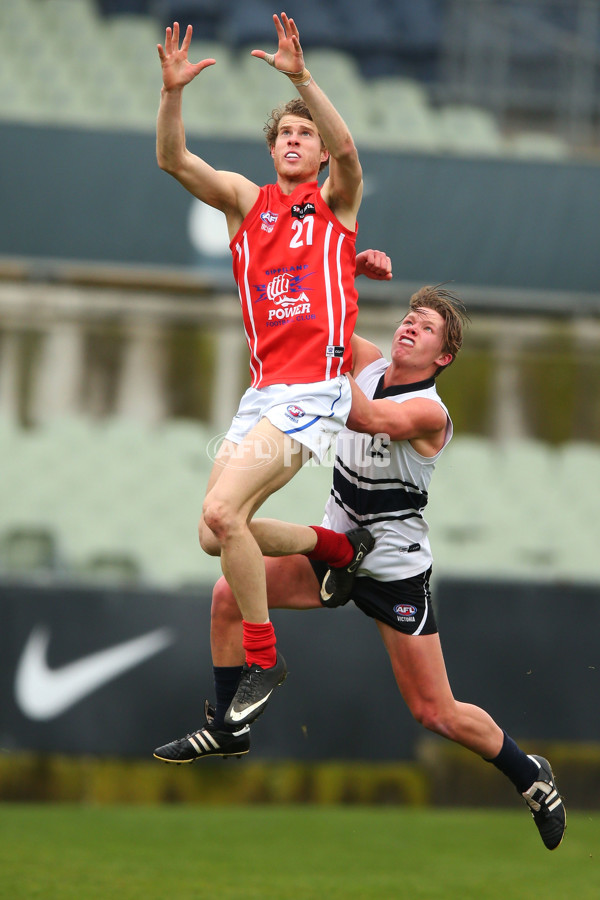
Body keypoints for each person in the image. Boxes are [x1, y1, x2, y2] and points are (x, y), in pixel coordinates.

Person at [154, 279, 566, 852]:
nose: (410, 326)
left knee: (435, 712)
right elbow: (314, 325)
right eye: (409, 316)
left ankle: (531, 777)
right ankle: (231, 723)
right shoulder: (367, 363)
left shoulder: (428, 411)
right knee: (227, 576)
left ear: (442, 357)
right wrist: (339, 259)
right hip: (336, 543)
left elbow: (368, 417)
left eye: (426, 327)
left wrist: (322, 368)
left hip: (393, 571)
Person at [156, 12, 369, 726]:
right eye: (284, 133)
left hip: (314, 390)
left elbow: (351, 151)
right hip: (264, 392)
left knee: (224, 511)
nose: (295, 140)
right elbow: (174, 161)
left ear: (317, 153)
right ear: (271, 148)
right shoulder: (249, 203)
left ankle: (262, 656)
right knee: (215, 533)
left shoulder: (334, 205)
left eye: (304, 134)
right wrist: (172, 93)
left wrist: (303, 80)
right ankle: (337, 548)